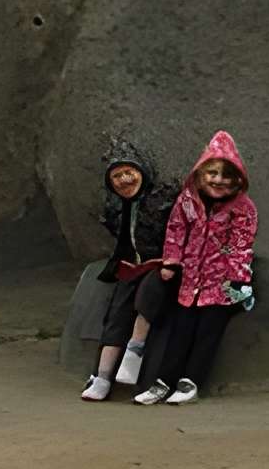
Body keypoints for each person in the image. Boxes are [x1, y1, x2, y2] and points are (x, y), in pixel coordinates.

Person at [133, 130, 256, 407]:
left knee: (207, 332)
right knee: (181, 329)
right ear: (201, 173)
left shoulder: (243, 208)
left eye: (226, 175)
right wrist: (171, 261)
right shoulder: (188, 201)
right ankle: (162, 382)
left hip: (222, 285)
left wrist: (239, 281)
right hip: (191, 282)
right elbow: (176, 230)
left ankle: (191, 382)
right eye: (212, 173)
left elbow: (241, 244)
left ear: (237, 179)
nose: (218, 180)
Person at [81, 140, 178, 401]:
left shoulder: (163, 199)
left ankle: (134, 351)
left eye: (128, 172)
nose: (124, 180)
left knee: (149, 290)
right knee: (118, 306)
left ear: (142, 171)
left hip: (166, 266)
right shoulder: (118, 207)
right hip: (133, 266)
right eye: (116, 176)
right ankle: (102, 376)